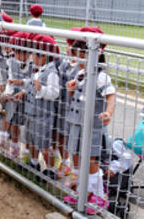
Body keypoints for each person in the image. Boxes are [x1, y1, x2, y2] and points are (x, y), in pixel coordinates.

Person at [63, 27, 115, 214]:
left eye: (81, 55)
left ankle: (98, 195)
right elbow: (75, 94)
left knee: (91, 161)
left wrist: (108, 113)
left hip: (92, 126)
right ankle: (82, 192)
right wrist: (71, 88)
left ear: (94, 54)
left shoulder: (101, 77)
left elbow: (110, 96)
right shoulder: (80, 74)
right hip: (76, 123)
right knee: (76, 157)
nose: (78, 59)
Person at [14, 34, 60, 179]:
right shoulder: (37, 70)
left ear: (44, 56)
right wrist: (22, 89)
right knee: (31, 139)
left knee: (44, 143)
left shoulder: (51, 73)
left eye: (35, 55)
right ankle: (33, 162)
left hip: (43, 115)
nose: (32, 58)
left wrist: (41, 89)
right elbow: (31, 84)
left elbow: (55, 93)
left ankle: (51, 169)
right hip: (31, 111)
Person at [0, 32, 33, 157]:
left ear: (27, 53)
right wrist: (7, 94)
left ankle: (27, 151)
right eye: (15, 53)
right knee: (13, 119)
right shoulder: (12, 61)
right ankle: (14, 146)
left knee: (28, 124)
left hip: (28, 96)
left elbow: (33, 81)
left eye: (20, 53)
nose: (17, 56)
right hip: (14, 95)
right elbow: (10, 79)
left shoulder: (33, 64)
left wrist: (23, 90)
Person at [54, 27, 82, 179]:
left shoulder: (81, 67)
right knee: (60, 135)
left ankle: (75, 171)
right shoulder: (64, 64)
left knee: (74, 139)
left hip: (74, 109)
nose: (68, 48)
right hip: (61, 106)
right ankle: (64, 163)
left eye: (71, 45)